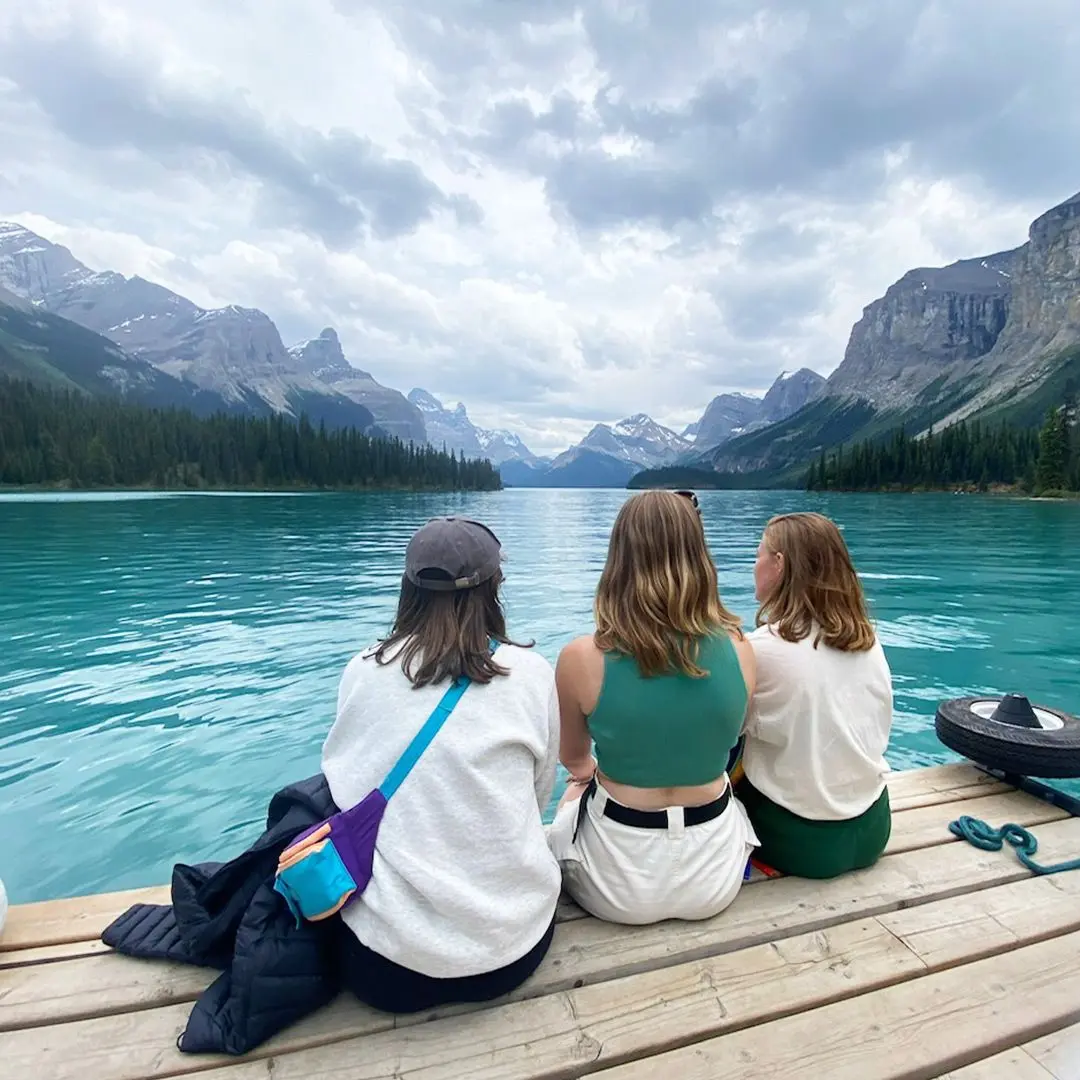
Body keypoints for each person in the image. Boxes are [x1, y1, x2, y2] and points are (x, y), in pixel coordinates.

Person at [320, 516, 561, 1012]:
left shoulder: (362, 670)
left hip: (386, 967)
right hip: (511, 951)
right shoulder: (532, 675)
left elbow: (339, 783)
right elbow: (537, 798)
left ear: (409, 589)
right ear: (494, 588)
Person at [546, 489, 758, 924]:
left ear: (619, 559)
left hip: (616, 884)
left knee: (572, 799)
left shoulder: (581, 658)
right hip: (714, 876)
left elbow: (572, 758)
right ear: (699, 556)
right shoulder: (740, 648)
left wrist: (586, 778)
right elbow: (733, 735)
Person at [738, 511, 893, 879]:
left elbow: (720, 738)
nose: (753, 564)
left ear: (779, 564)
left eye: (758, 553)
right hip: (872, 829)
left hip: (800, 842)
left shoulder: (761, 649)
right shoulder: (868, 641)